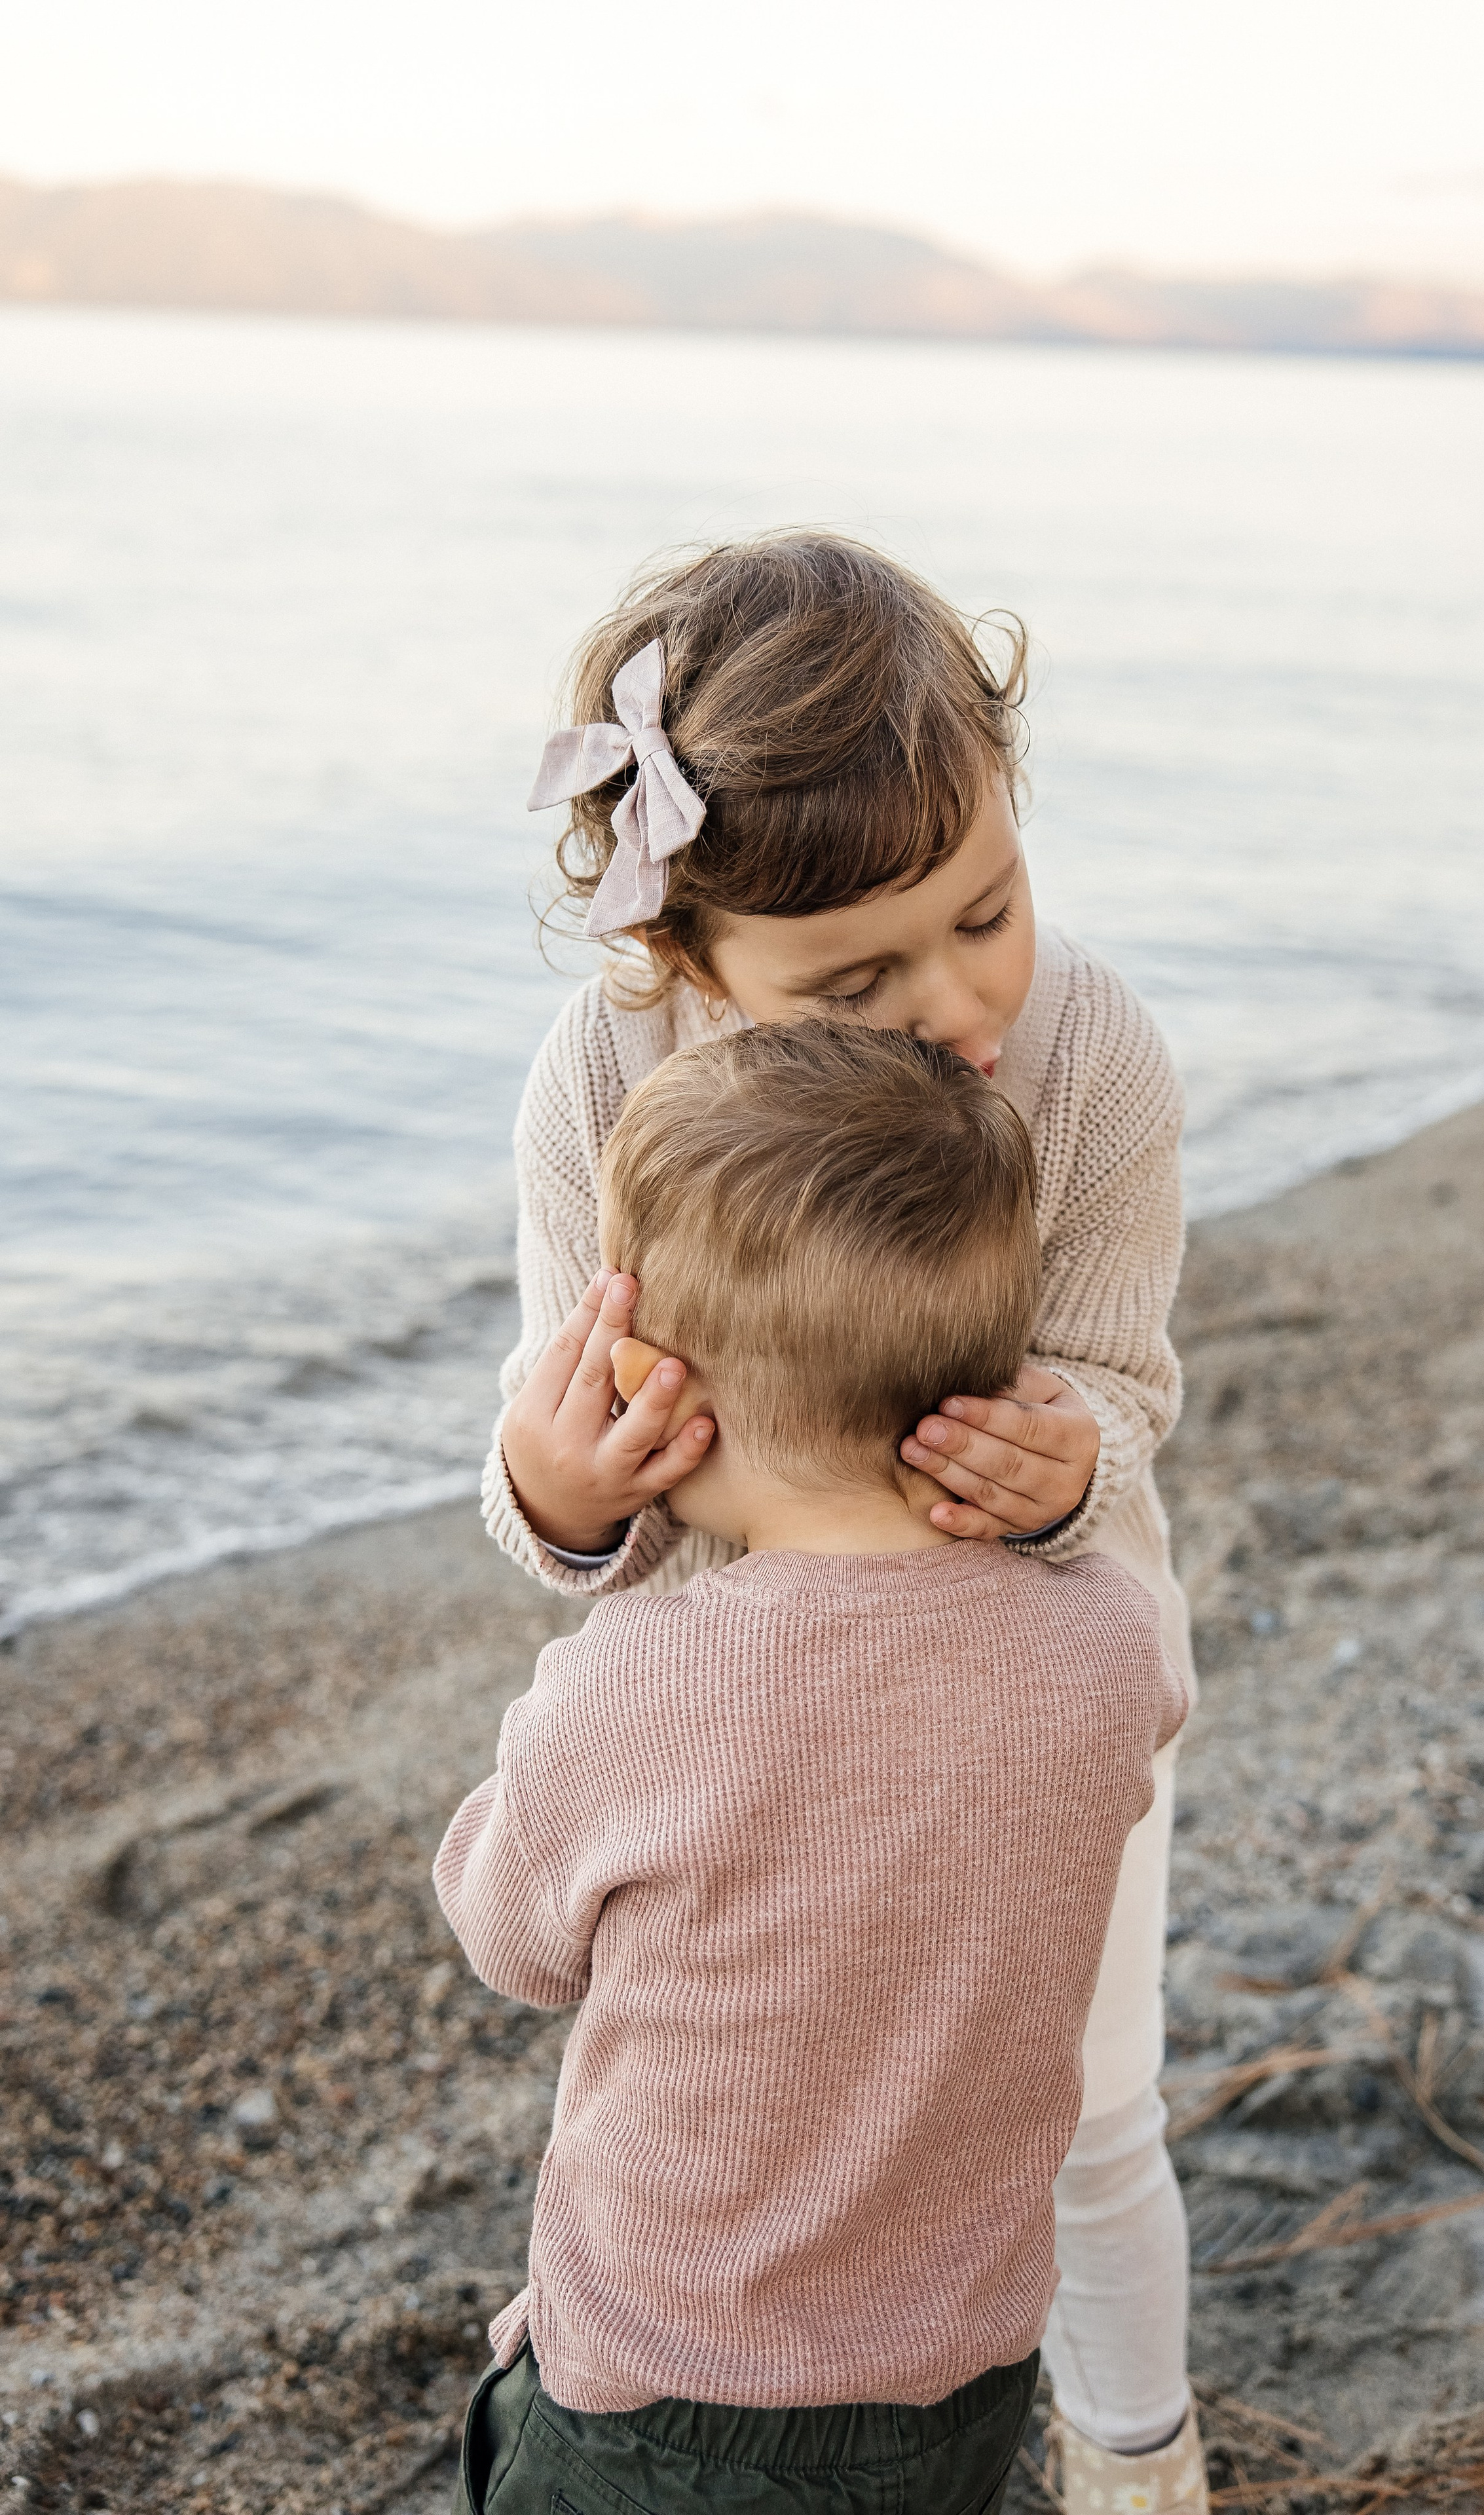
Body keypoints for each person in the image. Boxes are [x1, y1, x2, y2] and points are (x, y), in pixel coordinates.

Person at [485, 532, 1206, 2513]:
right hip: (740, 1719)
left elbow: (1121, 1380)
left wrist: (1069, 1463)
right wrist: (559, 1497)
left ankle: (1141, 2459)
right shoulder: (610, 1082)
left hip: (1037, 1689)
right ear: (689, 960)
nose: (963, 1005)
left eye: (987, 913)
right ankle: (716, 2375)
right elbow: (579, 1433)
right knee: (739, 2104)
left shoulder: (1087, 1056)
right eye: (858, 982)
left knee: (1084, 2107)